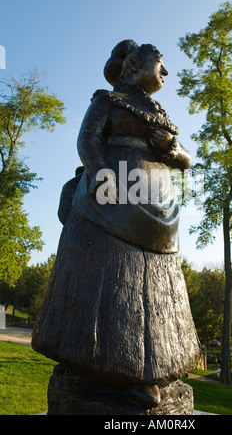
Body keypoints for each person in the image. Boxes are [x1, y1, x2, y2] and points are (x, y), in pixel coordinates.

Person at [32, 40, 200, 408]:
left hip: (159, 204)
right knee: (112, 279)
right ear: (134, 63)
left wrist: (169, 149)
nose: (165, 73)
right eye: (160, 63)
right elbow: (86, 140)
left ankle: (159, 365)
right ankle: (108, 364)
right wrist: (104, 179)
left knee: (155, 285)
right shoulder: (106, 101)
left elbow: (186, 158)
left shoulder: (158, 111)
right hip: (110, 198)